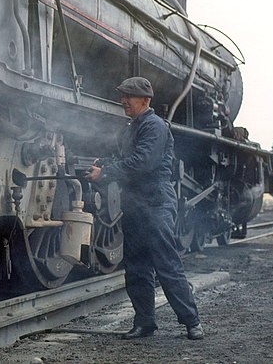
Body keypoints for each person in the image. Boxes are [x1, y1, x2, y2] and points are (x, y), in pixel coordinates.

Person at [85, 76, 204, 340]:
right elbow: (126, 159)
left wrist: (105, 173)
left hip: (156, 203)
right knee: (137, 267)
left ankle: (191, 321)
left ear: (145, 100)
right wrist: (104, 163)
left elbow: (142, 162)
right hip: (135, 204)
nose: (124, 101)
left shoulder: (154, 126)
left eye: (129, 96)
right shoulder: (132, 128)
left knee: (167, 264)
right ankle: (145, 322)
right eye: (123, 95)